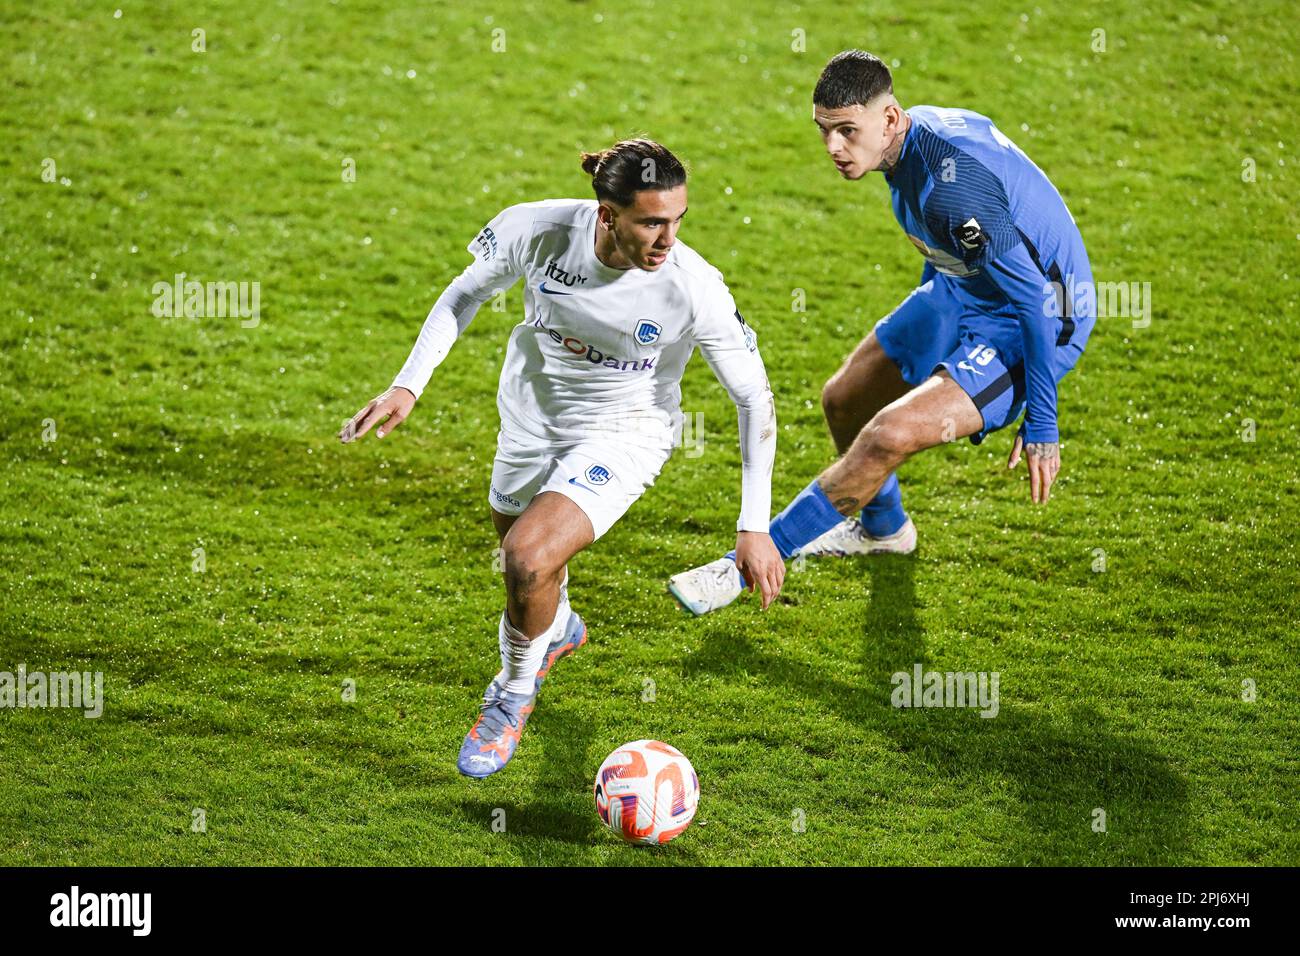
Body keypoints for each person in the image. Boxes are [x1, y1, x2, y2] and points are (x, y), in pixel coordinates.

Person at [340, 139, 782, 776]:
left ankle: (511, 695)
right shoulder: (541, 231)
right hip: (528, 420)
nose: (668, 238)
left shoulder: (694, 288)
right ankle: (561, 625)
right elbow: (463, 295)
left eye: (678, 220)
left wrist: (754, 525)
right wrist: (409, 383)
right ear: (606, 215)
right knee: (524, 569)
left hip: (625, 433)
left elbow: (754, 400)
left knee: (527, 556)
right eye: (651, 222)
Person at [668, 50, 1095, 615]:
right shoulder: (914, 143)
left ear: (890, 118)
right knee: (845, 400)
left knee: (886, 436)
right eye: (824, 131)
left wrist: (1042, 423)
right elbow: (960, 237)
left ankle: (742, 565)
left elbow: (1038, 302)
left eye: (848, 131)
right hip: (962, 289)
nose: (833, 148)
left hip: (1033, 321)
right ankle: (885, 530)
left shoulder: (952, 188)